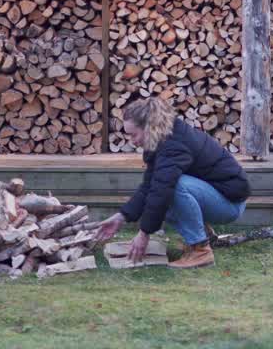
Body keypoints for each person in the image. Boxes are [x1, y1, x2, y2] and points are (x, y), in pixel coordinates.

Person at [95, 96, 251, 269]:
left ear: (149, 127)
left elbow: (162, 189)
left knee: (174, 187)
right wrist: (121, 217)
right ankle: (205, 235)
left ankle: (201, 250)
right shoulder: (161, 138)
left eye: (133, 134)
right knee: (162, 195)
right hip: (216, 195)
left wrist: (144, 234)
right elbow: (149, 186)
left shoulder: (174, 145)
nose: (132, 140)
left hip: (230, 204)